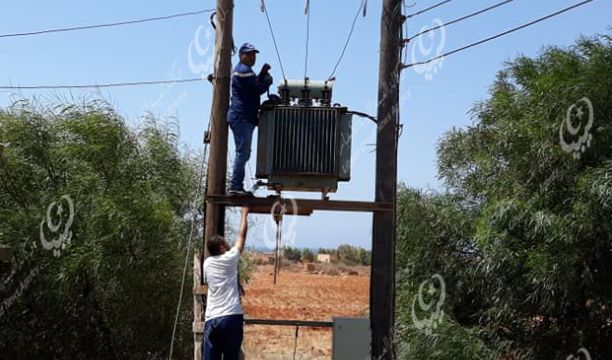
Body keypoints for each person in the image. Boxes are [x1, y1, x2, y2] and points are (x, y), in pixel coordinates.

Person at [202, 206, 250, 360]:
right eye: (225, 242)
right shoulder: (230, 258)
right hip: (231, 317)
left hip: (212, 318)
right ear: (222, 247)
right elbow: (241, 236)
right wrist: (244, 214)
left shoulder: (207, 263)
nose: (229, 244)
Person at [227, 42, 273, 196]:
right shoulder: (243, 71)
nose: (252, 57)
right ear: (241, 55)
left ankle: (236, 185)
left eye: (254, 54)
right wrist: (266, 81)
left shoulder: (246, 71)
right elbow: (257, 88)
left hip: (244, 117)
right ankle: (235, 185)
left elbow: (253, 85)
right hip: (242, 117)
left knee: (244, 152)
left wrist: (262, 73)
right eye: (249, 54)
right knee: (242, 152)